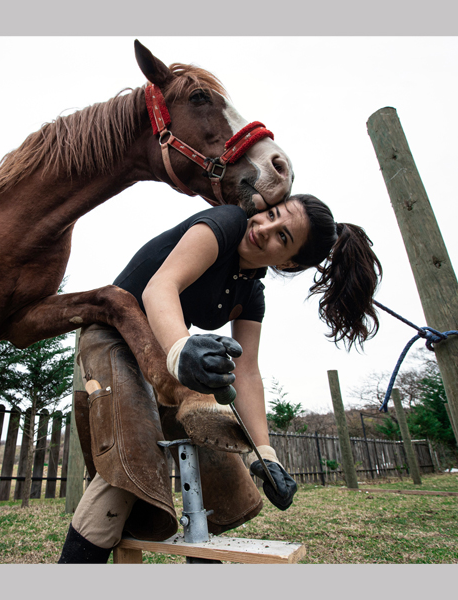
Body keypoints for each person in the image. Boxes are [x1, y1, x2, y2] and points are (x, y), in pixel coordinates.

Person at [58, 194, 382, 563]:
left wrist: (267, 455)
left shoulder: (252, 296)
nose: (264, 228)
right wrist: (183, 349)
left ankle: (203, 554)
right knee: (135, 456)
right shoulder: (226, 223)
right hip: (114, 332)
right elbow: (159, 286)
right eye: (272, 215)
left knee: (220, 456)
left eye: (283, 237)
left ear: (289, 262)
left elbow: (247, 372)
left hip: (168, 352)